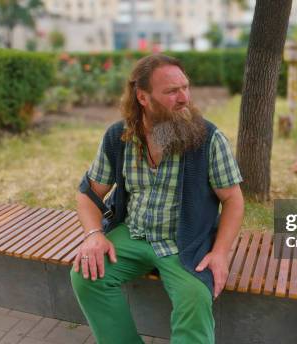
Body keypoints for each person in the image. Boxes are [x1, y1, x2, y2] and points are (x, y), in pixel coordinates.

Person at [70, 54, 245, 344]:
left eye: (185, 88)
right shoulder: (119, 137)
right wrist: (93, 234)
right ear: (143, 97)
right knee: (87, 275)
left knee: (194, 299)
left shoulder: (208, 138)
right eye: (171, 91)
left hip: (184, 242)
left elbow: (234, 200)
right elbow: (88, 194)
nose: (184, 98)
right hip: (134, 233)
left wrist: (220, 252)